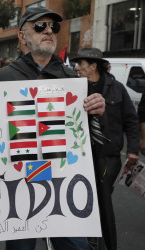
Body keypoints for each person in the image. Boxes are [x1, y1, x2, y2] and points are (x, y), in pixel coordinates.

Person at [0, 7, 105, 250]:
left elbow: (86, 134)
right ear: (22, 36)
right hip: (18, 182)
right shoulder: (3, 77)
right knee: (21, 247)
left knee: (77, 246)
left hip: (61, 180)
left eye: (54, 27)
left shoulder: (72, 80)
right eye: (40, 26)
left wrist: (96, 110)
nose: (49, 31)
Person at [72, 47, 139, 250]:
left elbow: (131, 120)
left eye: (80, 64)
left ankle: (102, 242)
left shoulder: (117, 88)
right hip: (80, 156)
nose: (76, 68)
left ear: (93, 66)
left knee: (101, 200)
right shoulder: (74, 88)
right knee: (81, 198)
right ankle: (81, 236)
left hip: (108, 158)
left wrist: (133, 149)